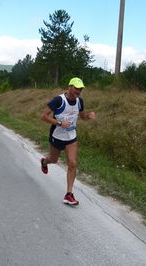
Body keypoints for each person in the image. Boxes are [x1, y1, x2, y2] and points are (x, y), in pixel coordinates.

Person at [40, 77, 96, 206]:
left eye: (80, 89)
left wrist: (88, 116)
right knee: (53, 160)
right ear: (69, 87)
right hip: (57, 135)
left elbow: (82, 117)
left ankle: (69, 194)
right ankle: (44, 161)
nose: (78, 91)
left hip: (71, 136)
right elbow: (43, 116)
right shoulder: (58, 100)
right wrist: (59, 122)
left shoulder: (79, 101)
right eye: (76, 88)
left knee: (72, 163)